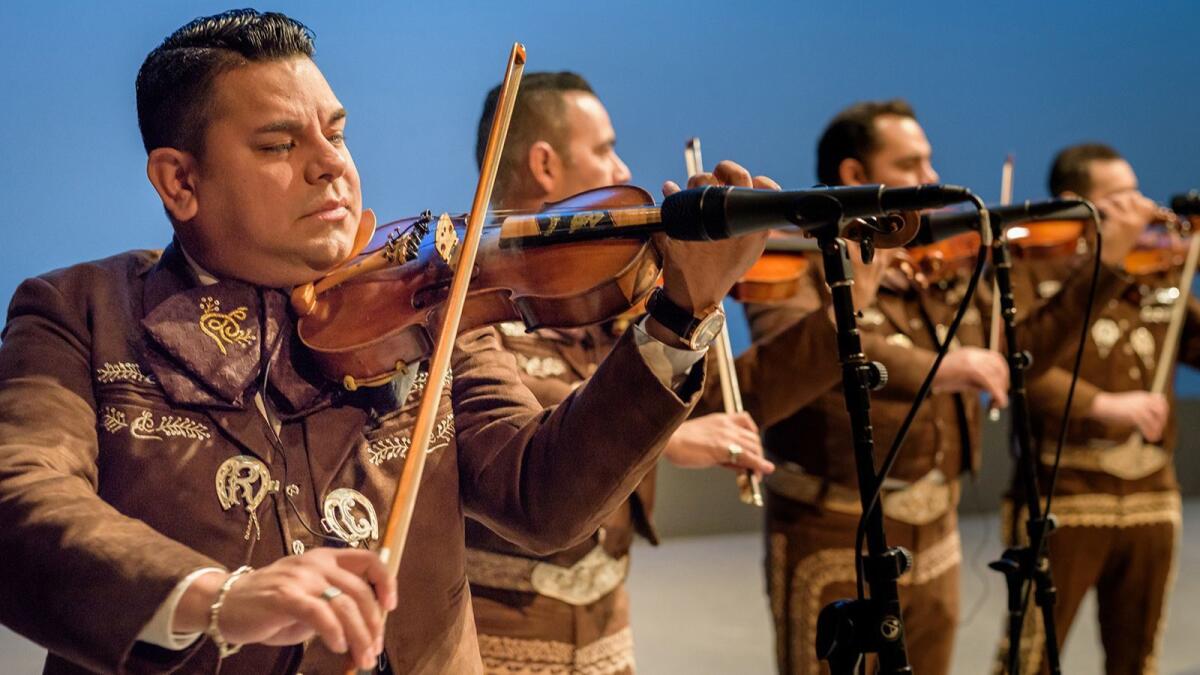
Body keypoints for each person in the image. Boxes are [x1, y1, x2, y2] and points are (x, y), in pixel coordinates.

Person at [0, 10, 771, 674]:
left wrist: (680, 312)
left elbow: (542, 495)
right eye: (278, 145)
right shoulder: (81, 313)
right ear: (179, 182)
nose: (331, 164)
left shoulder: (428, 304)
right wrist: (216, 596)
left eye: (336, 132)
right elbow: (22, 497)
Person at [745, 100, 1143, 675]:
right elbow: (810, 354)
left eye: (929, 161)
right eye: (911, 163)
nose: (931, 178)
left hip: (936, 525)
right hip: (832, 524)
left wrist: (1104, 268)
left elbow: (1016, 355)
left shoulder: (941, 262)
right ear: (856, 175)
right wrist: (945, 366)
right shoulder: (803, 262)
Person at [463, 71, 774, 675]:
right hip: (493, 632)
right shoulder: (467, 299)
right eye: (603, 148)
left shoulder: (618, 289)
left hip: (609, 629)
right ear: (545, 165)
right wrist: (674, 437)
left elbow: (706, 398)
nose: (620, 167)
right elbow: (533, 413)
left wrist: (701, 297)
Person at [993, 143, 1194, 675]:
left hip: (1151, 491)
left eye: (1137, 192)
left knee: (1139, 655)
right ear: (1074, 201)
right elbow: (1016, 364)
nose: (1141, 207)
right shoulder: (1030, 269)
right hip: (1066, 491)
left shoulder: (1155, 267)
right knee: (1032, 653)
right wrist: (1102, 404)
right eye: (1119, 197)